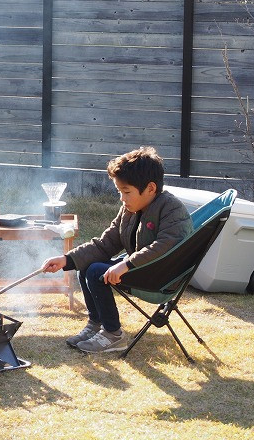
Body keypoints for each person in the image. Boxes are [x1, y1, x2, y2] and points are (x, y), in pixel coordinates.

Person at [41, 146, 192, 354]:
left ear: (150, 188)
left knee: (96, 272)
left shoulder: (171, 209)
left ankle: (113, 334)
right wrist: (67, 259)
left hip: (161, 277)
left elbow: (164, 247)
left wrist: (126, 264)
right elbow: (106, 244)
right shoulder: (130, 209)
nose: (122, 198)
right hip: (141, 268)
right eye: (120, 192)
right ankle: (97, 324)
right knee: (85, 268)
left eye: (126, 192)